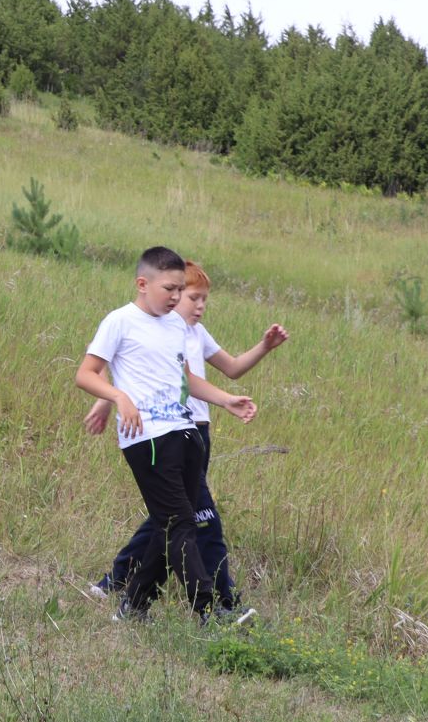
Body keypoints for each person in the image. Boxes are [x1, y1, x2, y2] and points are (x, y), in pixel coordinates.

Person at [85, 261, 288, 618]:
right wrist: (110, 400)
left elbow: (194, 376)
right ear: (148, 286)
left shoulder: (186, 332)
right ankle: (217, 605)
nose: (193, 302)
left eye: (194, 295)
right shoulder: (131, 322)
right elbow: (117, 370)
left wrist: (228, 396)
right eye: (184, 294)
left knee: (170, 521)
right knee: (195, 520)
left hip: (193, 433)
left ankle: (129, 596)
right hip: (153, 436)